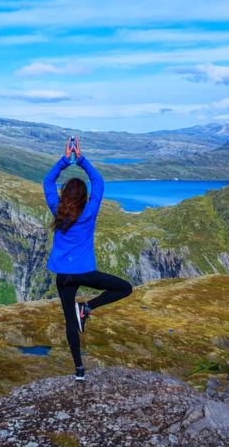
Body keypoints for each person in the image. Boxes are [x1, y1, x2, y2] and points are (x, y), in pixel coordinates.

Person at [43, 136, 133, 381]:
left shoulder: (57, 210)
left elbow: (48, 181)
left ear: (64, 195)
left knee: (70, 321)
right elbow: (98, 181)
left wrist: (65, 160)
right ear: (84, 197)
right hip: (84, 273)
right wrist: (80, 159)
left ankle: (79, 370)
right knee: (124, 288)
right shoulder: (90, 211)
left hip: (63, 276)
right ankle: (87, 307)